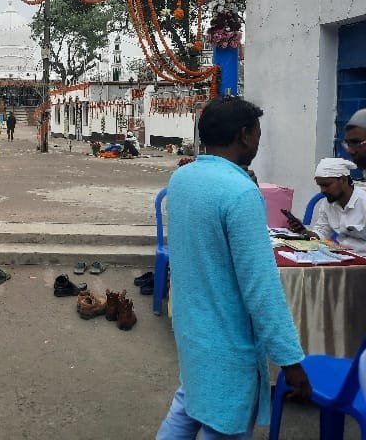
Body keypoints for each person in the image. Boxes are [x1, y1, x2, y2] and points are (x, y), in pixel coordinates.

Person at [157, 96, 310, 440]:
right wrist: (290, 361)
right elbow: (261, 288)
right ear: (244, 134)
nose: (258, 142)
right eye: (257, 134)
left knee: (190, 401)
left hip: (191, 328)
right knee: (223, 421)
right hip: (228, 341)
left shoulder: (182, 179)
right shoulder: (240, 193)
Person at [287, 157, 366, 254]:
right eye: (320, 186)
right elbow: (322, 233)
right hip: (343, 255)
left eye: (326, 185)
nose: (322, 190)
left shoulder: (363, 202)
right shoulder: (328, 203)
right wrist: (303, 230)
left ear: (343, 180)